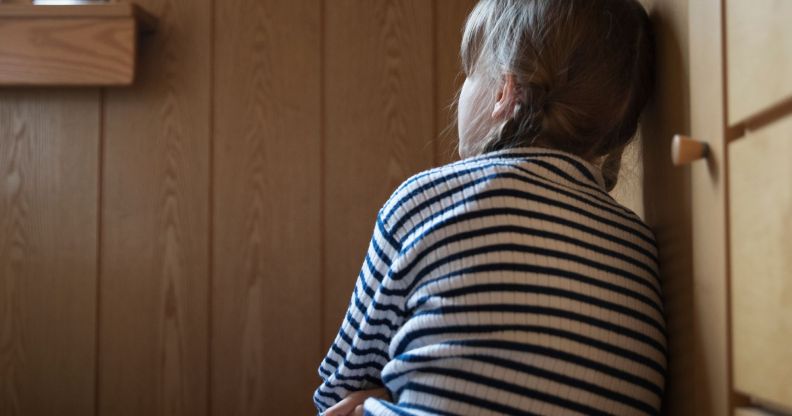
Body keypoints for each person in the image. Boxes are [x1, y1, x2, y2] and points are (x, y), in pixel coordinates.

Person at [314, 0, 664, 414]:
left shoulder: (427, 200)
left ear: (504, 91)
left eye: (470, 73)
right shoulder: (639, 246)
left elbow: (340, 388)